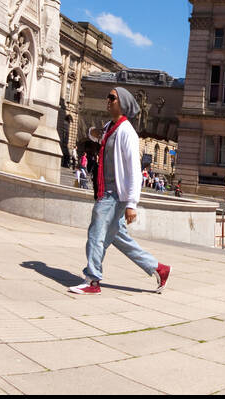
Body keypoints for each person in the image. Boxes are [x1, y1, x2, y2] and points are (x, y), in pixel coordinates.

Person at [69, 87, 170, 296]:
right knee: (119, 238)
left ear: (122, 103)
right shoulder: (109, 127)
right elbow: (97, 136)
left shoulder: (127, 132)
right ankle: (159, 268)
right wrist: (91, 133)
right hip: (106, 191)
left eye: (112, 98)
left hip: (113, 195)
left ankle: (92, 280)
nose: (107, 100)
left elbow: (134, 170)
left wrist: (132, 204)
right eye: (107, 96)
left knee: (96, 234)